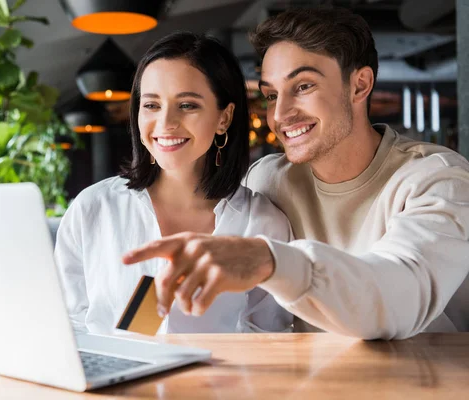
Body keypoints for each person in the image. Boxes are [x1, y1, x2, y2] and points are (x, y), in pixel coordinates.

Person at [123, 8, 469, 340]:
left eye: (303, 86)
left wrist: (269, 261)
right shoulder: (269, 180)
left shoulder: (438, 180)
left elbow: (397, 298)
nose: (281, 114)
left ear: (360, 85)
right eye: (272, 95)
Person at [54, 32, 293, 335]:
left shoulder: (262, 223)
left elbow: (268, 339)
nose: (166, 123)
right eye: (152, 105)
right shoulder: (91, 209)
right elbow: (69, 329)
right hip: (110, 380)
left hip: (215, 382)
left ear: (224, 117)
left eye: (187, 105)